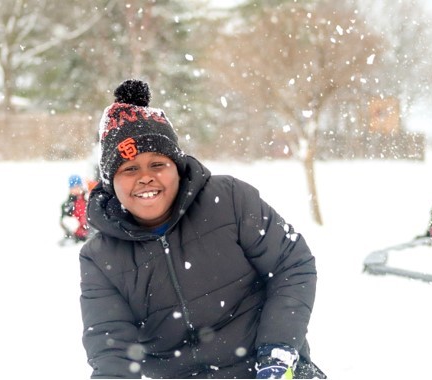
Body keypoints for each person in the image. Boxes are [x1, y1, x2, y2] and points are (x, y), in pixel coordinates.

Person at [79, 79, 325, 379]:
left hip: (269, 369)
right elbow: (110, 347)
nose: (145, 178)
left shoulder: (229, 199)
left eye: (157, 164)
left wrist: (276, 352)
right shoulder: (100, 256)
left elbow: (292, 265)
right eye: (129, 169)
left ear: (177, 168)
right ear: (110, 183)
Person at [60, 174, 90, 242]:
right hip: (75, 235)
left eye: (78, 186)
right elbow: (64, 220)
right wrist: (70, 223)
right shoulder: (67, 204)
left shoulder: (87, 199)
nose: (76, 189)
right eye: (73, 187)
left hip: (89, 233)